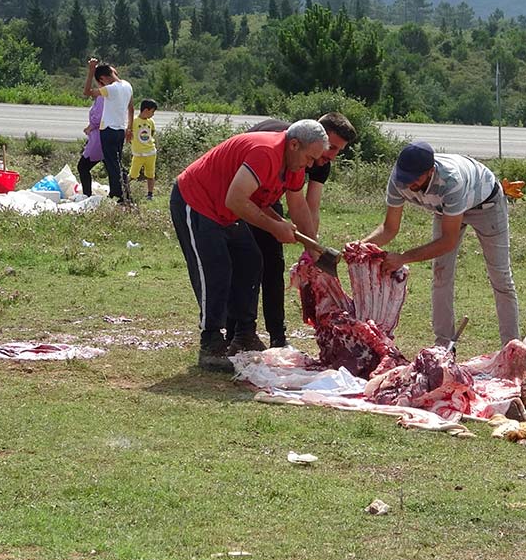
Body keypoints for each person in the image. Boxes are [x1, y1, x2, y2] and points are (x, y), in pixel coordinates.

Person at [171, 120, 330, 372]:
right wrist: (275, 227)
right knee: (216, 270)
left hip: (226, 211)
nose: (310, 165)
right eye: (309, 158)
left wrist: (313, 247)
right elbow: (235, 199)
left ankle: (244, 335)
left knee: (251, 260)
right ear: (294, 144)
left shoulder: (295, 165)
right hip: (197, 201)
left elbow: (298, 206)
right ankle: (211, 342)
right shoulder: (265, 153)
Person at [360, 142, 521, 347]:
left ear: (430, 171)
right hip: (444, 209)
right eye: (404, 178)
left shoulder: (450, 180)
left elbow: (448, 241)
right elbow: (390, 228)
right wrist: (359, 246)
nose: (408, 184)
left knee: (501, 277)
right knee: (441, 274)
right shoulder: (399, 179)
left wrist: (403, 258)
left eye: (414, 179)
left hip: (485, 205)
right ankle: (442, 345)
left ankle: (512, 348)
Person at [233, 112, 357, 348]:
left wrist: (312, 247)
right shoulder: (284, 141)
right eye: (330, 147)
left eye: (338, 151)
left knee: (273, 264)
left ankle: (277, 336)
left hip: (269, 197)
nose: (329, 156)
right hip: (242, 193)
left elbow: (308, 206)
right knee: (247, 263)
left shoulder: (322, 162)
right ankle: (238, 333)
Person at [83, 58, 134, 202]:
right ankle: (125, 193)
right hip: (120, 130)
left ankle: (118, 196)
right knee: (117, 163)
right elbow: (131, 108)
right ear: (113, 71)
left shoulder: (110, 89)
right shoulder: (127, 85)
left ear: (103, 79)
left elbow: (87, 92)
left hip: (108, 130)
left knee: (112, 165)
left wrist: (91, 71)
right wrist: (129, 128)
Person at [129, 98, 158, 200]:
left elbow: (152, 133)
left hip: (150, 153)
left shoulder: (151, 122)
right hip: (138, 154)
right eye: (152, 112)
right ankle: (127, 191)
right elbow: (128, 134)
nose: (153, 114)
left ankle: (150, 194)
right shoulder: (134, 121)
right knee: (133, 174)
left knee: (150, 174)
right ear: (146, 110)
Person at [77, 95, 105, 196]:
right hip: (108, 135)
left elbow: (98, 117)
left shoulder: (102, 97)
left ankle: (87, 195)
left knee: (83, 166)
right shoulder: (115, 96)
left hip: (98, 137)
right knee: (113, 166)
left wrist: (90, 127)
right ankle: (124, 193)